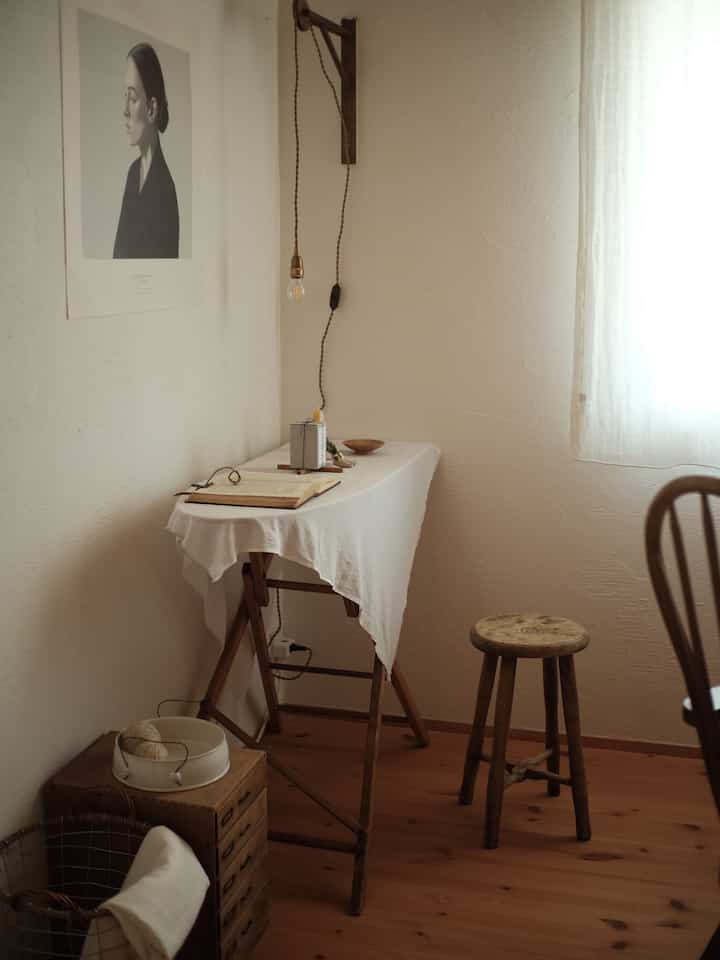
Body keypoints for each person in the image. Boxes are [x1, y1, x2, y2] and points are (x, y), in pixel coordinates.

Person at [113, 43, 179, 259]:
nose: (124, 110)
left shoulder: (165, 190)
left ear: (151, 109)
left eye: (132, 99)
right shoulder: (133, 174)